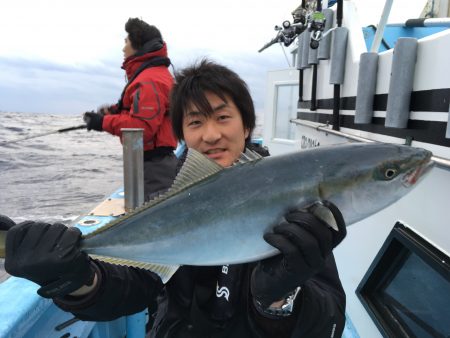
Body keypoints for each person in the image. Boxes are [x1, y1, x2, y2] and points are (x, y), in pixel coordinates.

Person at [4, 60, 347, 338]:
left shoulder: (290, 197)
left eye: (223, 117)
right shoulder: (165, 200)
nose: (211, 135)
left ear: (247, 127)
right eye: (195, 122)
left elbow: (328, 324)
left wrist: (279, 297)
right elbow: (133, 286)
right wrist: (77, 278)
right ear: (182, 134)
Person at [83, 18, 178, 200]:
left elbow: (142, 128)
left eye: (126, 42)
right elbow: (139, 112)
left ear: (138, 46)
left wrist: (102, 122)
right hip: (151, 164)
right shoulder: (151, 75)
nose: (123, 48)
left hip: (155, 168)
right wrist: (113, 111)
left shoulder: (150, 80)